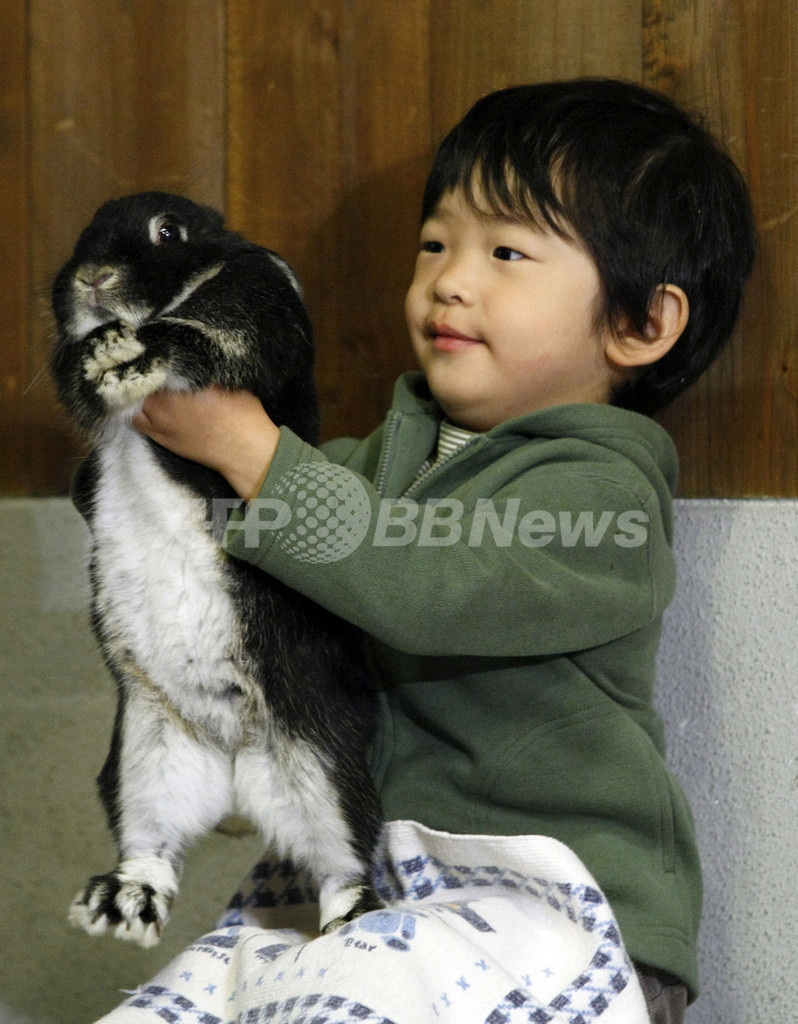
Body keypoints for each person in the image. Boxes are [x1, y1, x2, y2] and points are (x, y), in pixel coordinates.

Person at [125, 79, 755, 1023]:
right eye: (435, 243)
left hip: (544, 905)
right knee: (193, 995)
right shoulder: (378, 460)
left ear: (641, 323)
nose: (450, 279)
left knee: (362, 991)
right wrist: (153, 443)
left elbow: (427, 581)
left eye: (505, 251)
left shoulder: (605, 500)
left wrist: (250, 450)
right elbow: (247, 548)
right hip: (376, 890)